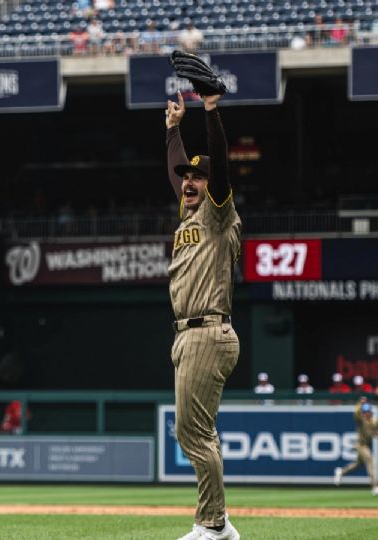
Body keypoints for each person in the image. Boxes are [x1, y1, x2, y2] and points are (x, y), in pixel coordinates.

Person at [165, 90, 242, 540]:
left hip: (207, 330)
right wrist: (173, 128)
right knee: (197, 433)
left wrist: (211, 112)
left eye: (198, 178)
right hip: (191, 334)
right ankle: (222, 524)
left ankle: (211, 524)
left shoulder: (218, 215)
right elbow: (179, 179)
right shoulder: (190, 214)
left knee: (192, 433)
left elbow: (220, 166)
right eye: (187, 177)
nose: (189, 183)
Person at [333, 397, 378, 495]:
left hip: (366, 445)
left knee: (358, 464)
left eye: (368, 411)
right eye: (365, 412)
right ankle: (374, 487)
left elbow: (374, 434)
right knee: (370, 460)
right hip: (361, 445)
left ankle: (341, 471)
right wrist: (359, 403)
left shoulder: (373, 421)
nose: (367, 413)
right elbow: (356, 413)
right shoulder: (361, 420)